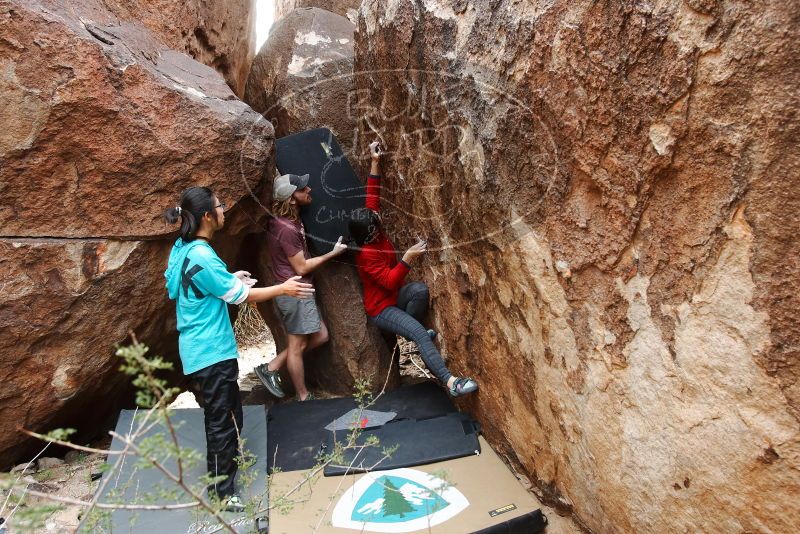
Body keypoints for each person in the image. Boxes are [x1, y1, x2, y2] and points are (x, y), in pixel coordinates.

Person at [164, 186, 314, 511]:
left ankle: (227, 467)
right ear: (207, 216)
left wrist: (228, 277)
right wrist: (284, 289)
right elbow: (241, 297)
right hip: (210, 352)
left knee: (230, 415)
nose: (223, 211)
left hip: (202, 350)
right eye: (219, 207)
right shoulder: (202, 254)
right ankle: (222, 493)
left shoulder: (185, 248)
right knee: (221, 421)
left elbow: (202, 286)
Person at [348, 142, 479, 397]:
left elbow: (371, 198)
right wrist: (407, 258)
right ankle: (451, 383)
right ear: (370, 232)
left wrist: (374, 160)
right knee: (421, 334)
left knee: (419, 290)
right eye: (376, 223)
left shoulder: (372, 228)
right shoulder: (366, 254)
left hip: (395, 297)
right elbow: (388, 281)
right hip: (381, 308)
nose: (380, 219)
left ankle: (413, 332)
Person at [254, 174, 347, 401]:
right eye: (302, 188)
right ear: (291, 199)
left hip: (300, 291)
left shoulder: (289, 221)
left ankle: (273, 366)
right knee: (297, 345)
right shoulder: (285, 228)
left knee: (321, 336)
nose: (309, 189)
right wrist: (332, 253)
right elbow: (302, 267)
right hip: (295, 291)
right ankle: (302, 396)